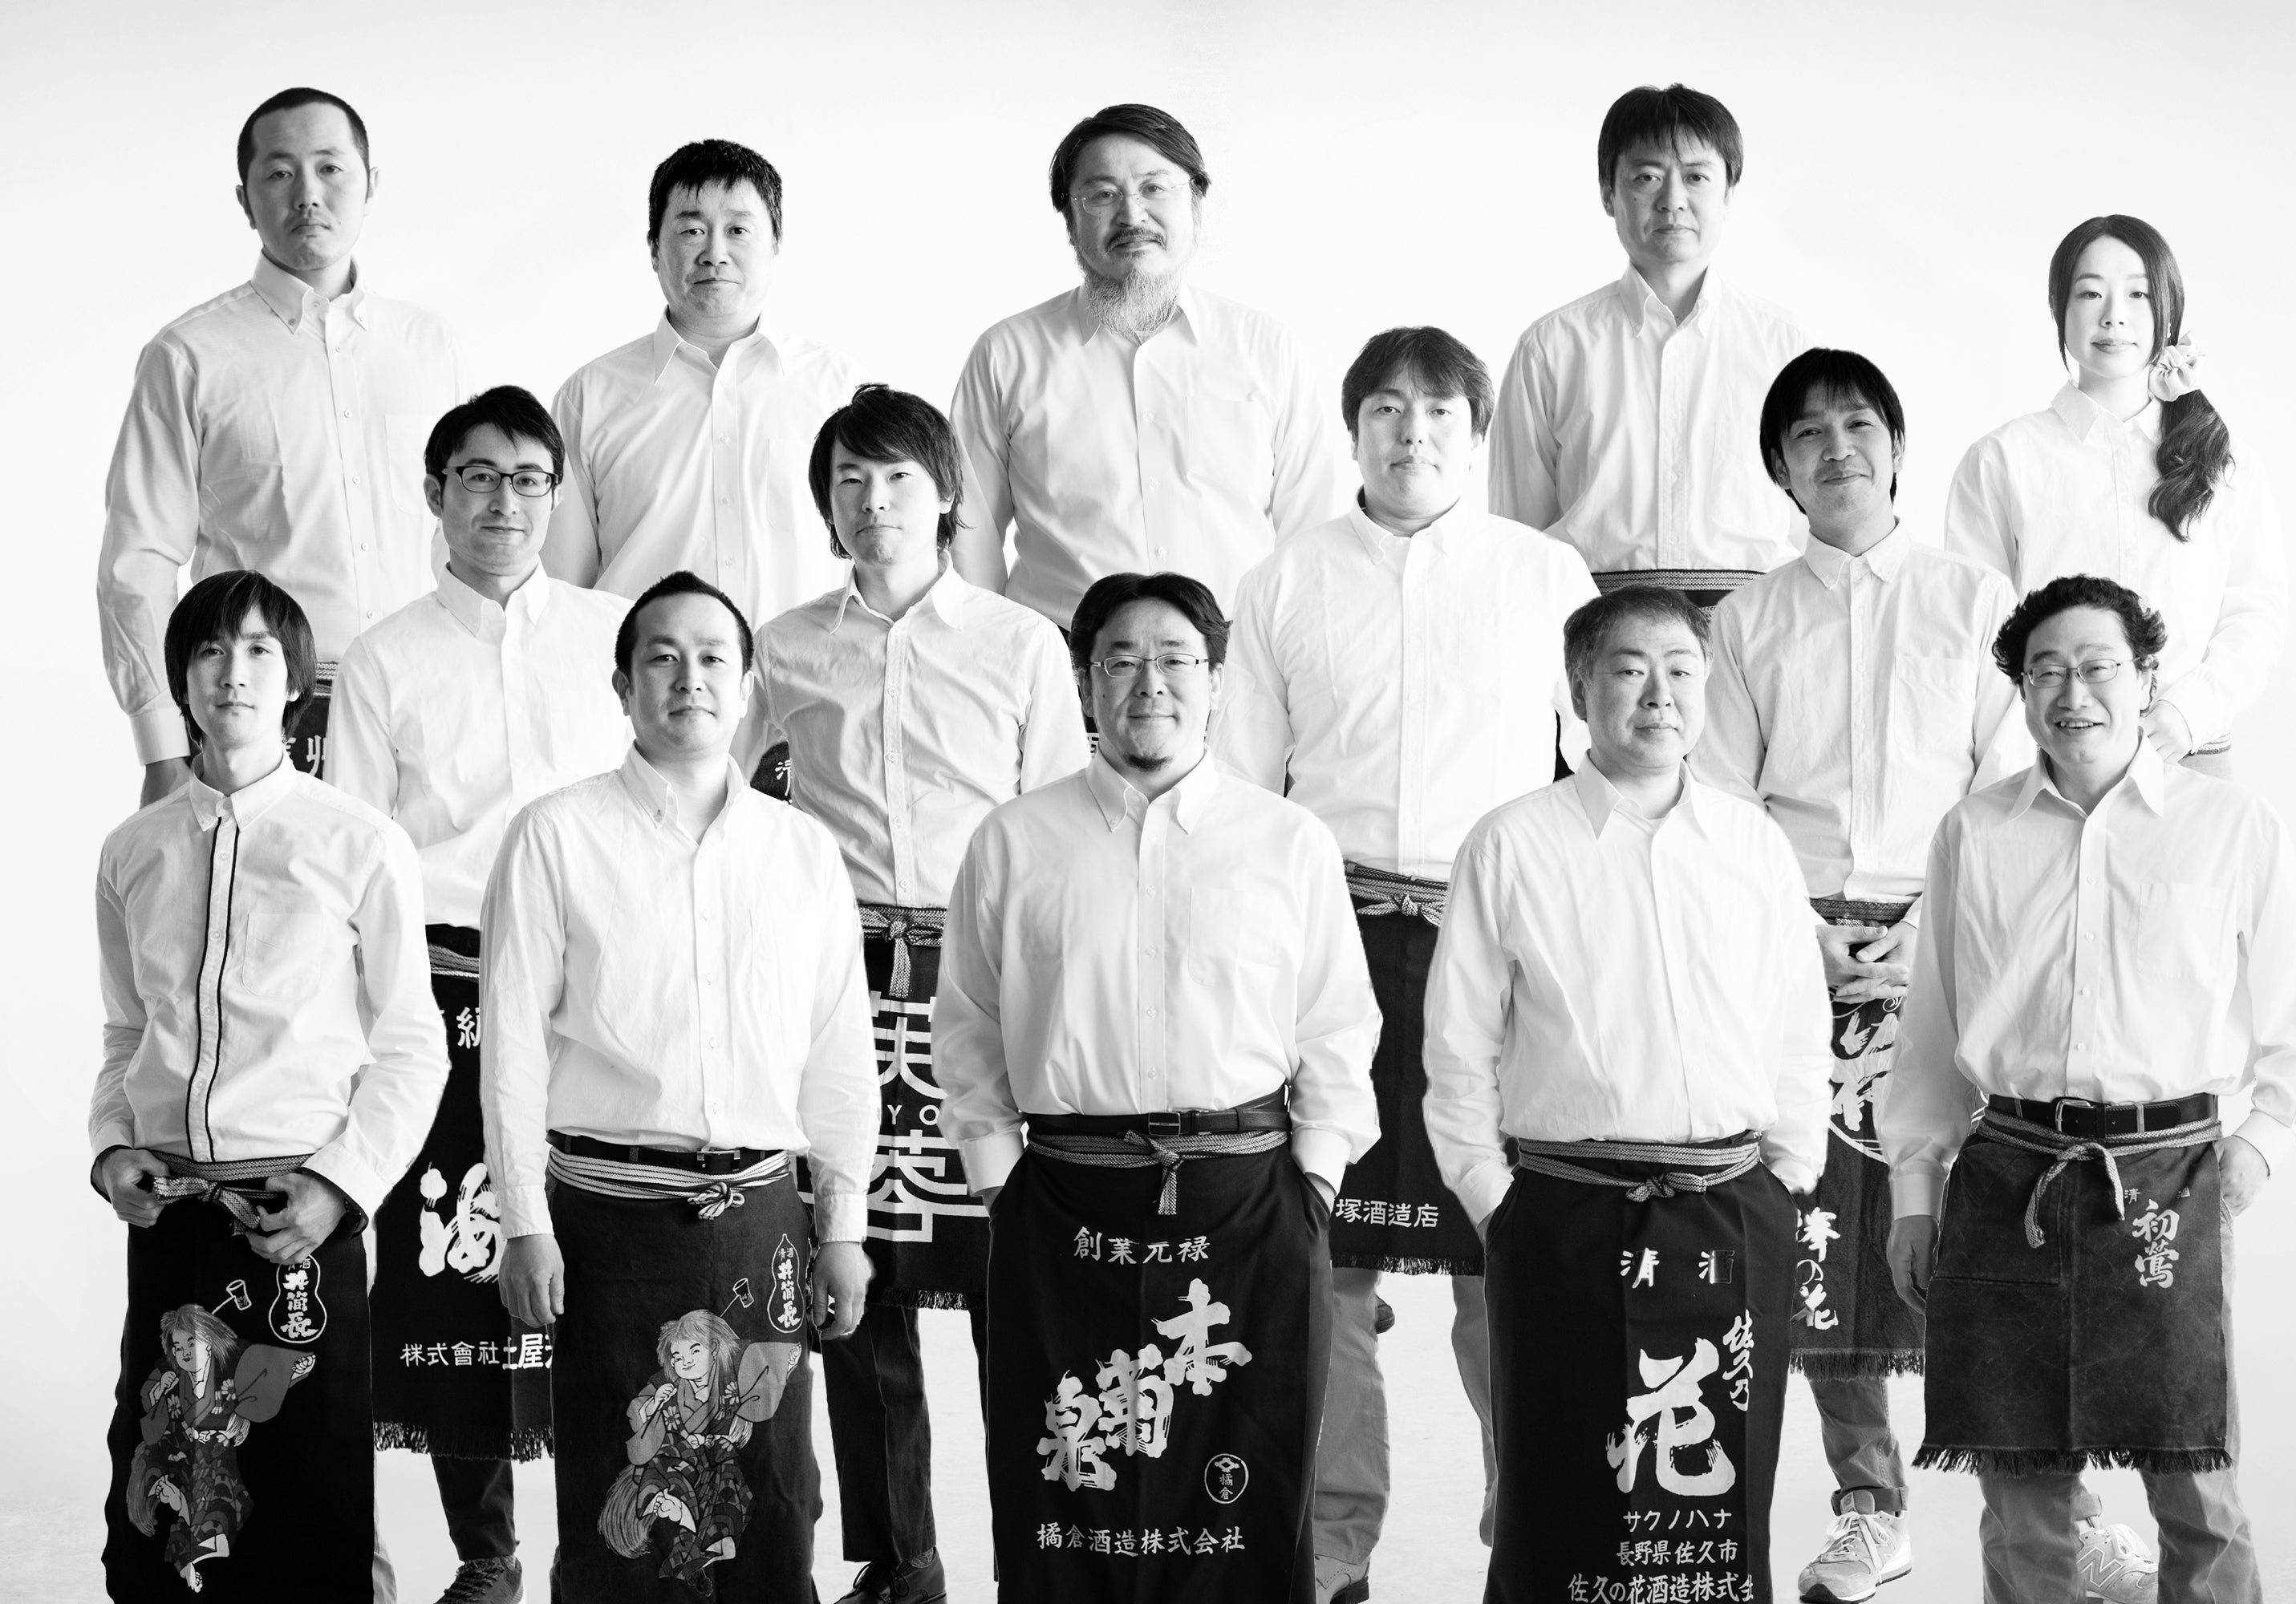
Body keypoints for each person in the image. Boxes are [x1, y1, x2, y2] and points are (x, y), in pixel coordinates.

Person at [1219, 326, 1595, 1604]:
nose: (1412, 431)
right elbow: (1244, 790)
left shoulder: (1546, 576)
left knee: (1510, 1255)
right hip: (1332, 945)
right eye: (1386, 407)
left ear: (1476, 434)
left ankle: (1533, 1523)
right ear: (1353, 429)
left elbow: (1593, 769)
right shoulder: (1286, 578)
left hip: (1497, 944)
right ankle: (1334, 1544)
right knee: (1325, 1260)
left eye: (1438, 410)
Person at [1885, 575, 2296, 1604]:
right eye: (2044, 670)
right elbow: (1931, 1033)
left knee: (2194, 1472)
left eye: (2097, 666)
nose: (2072, 691)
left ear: (2145, 678)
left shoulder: (2230, 825)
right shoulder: (1973, 831)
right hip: (2009, 1176)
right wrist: (1915, 1193)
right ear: (2020, 689)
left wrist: (2260, 1143)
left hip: (2169, 1176)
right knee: (2022, 1484)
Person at [932, 572, 1381, 1602]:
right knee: (1063, 1478)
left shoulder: (1287, 840)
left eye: (1177, 658)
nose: (1150, 682)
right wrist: (1002, 1183)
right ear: (1085, 682)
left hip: (1249, 1196)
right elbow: (968, 1025)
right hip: (1064, 1201)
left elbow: (1337, 1024)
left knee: (1246, 1488)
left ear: (1217, 681)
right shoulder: (1014, 839)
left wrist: (1313, 1183)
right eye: (1121, 659)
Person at [1696, 349, 2029, 1602]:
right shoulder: (1747, 622)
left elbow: (2012, 781)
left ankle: (2042, 1502)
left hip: (1953, 942)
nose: (1835, 447)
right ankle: (1870, 1508)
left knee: (1983, 1228)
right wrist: (1801, 931)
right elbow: (1721, 804)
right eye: (1806, 434)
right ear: (1780, 472)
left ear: (1896, 447)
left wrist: (1940, 931)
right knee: (1827, 1233)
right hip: (1799, 949)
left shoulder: (1974, 600)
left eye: (1856, 424)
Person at [480, 571, 882, 1599]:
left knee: (771, 1498)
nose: (687, 677)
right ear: (622, 686)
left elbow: (840, 1052)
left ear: (746, 688)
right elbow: (511, 1046)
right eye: (661, 657)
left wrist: (843, 1225)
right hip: (606, 1222)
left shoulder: (802, 851)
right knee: (617, 1500)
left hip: (760, 1218)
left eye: (712, 658)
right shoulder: (554, 834)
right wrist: (524, 1221)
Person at [1424, 586, 1827, 1604]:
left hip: (1731, 1208)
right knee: (1562, 1489)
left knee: (1715, 1509)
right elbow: (1459, 1047)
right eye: (1630, 669)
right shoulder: (1513, 841)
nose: (1660, 694)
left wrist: (1788, 1178)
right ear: (1579, 687)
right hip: (1565, 1212)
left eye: (1681, 670)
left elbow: (1797, 1022)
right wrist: (1494, 1201)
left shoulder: (1751, 844)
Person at [750, 384, 1087, 1604]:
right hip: (838, 978)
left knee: (1013, 1276)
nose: (873, 500)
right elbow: (728, 803)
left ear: (946, 493)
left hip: (980, 976)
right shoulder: (783, 645)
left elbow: (1065, 828)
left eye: (897, 477)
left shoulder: (1020, 642)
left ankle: (1042, 1551)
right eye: (849, 480)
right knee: (858, 1274)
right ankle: (902, 1560)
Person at [324, 386, 633, 1604]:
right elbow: (355, 853)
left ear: (557, 495)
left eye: (527, 478)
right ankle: (488, 1556)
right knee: (459, 1265)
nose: (504, 501)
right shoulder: (383, 656)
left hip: (597, 983)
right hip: (447, 979)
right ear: (435, 492)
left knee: (604, 1255)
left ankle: (612, 1547)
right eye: (478, 476)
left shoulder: (613, 635)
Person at [92, 569, 449, 1600]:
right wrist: (111, 1148)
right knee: (163, 1498)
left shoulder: (360, 842)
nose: (233, 673)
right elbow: (126, 1031)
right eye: (210, 650)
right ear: (181, 679)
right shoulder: (133, 850)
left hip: (297, 1218)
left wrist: (340, 1187)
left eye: (258, 651)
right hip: (171, 1217)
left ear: (295, 680)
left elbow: (412, 1045)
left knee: (308, 1506)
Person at [100, 87, 460, 806]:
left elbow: (459, 535)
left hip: (426, 704)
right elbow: (138, 561)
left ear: (370, 182)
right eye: (279, 173)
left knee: (429, 887)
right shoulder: (190, 355)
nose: (307, 195)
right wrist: (163, 744)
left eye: (330, 168)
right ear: (245, 199)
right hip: (268, 715)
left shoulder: (425, 343)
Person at [950, 104, 1346, 629]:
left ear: (1196, 206)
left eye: (1155, 188)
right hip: (1060, 658)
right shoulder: (1007, 354)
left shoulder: (1265, 347)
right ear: (1070, 222)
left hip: (1232, 655)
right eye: (1102, 194)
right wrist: (990, 652)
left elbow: (1310, 529)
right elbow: (970, 531)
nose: (1132, 216)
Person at [1945, 215, 2286, 779]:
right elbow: (1980, 633)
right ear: (2059, 308)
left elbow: (2256, 615)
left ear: (2169, 308)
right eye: (2089, 293)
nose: (2114, 315)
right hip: (2053, 759)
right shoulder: (2001, 461)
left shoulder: (2227, 461)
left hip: (2188, 756)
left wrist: (2187, 713)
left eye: (2137, 294)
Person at [1488, 83, 1807, 606]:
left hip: (1754, 631)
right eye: (1647, 177)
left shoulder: (1787, 346)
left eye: (1697, 177)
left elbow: (1815, 527)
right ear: (1607, 193)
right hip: (1595, 632)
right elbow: (1518, 538)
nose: (1672, 200)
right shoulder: (1549, 349)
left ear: (1728, 193)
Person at [546, 140, 858, 630]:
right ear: (654, 249)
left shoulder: (838, 389)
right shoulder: (589, 398)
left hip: (804, 675)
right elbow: (563, 593)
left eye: (738, 230)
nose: (715, 254)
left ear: (775, 244)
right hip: (641, 677)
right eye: (692, 230)